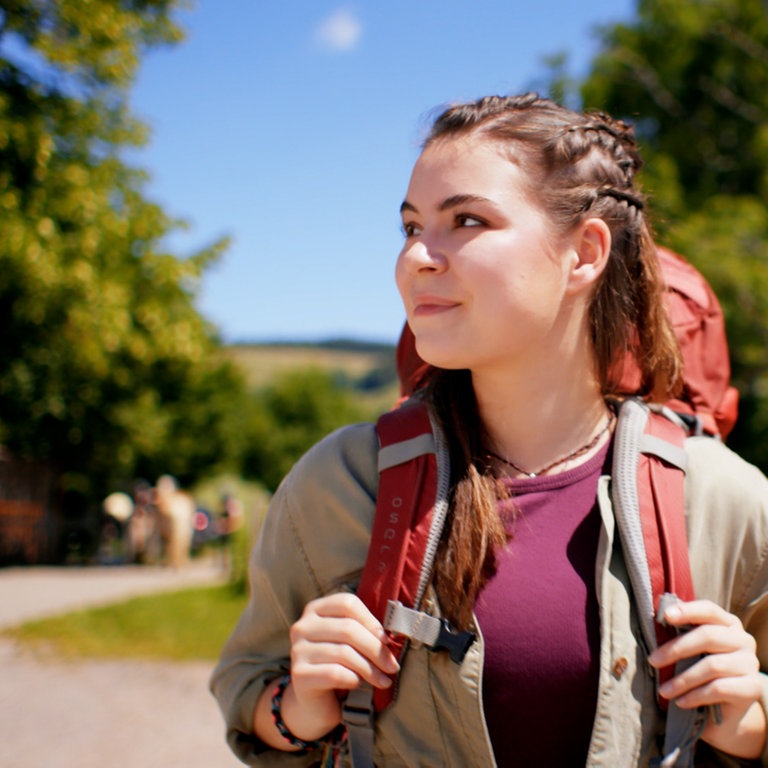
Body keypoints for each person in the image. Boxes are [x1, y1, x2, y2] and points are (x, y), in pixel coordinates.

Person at [210, 93, 768, 766]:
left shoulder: (723, 500)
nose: (417, 256)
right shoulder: (344, 482)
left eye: (465, 220)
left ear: (585, 253)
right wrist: (295, 709)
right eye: (411, 227)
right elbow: (247, 687)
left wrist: (749, 724)